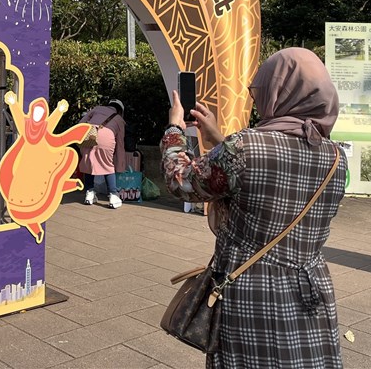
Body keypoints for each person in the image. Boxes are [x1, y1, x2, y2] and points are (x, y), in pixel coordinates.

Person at [161, 48, 346, 368]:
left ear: (280, 93)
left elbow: (182, 182)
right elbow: (269, 186)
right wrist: (219, 138)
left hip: (250, 292)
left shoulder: (244, 148)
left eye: (259, 92)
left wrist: (175, 128)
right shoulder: (336, 159)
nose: (256, 101)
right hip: (310, 292)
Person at [78, 99, 127, 209]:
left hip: (89, 134)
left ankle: (89, 194)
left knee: (88, 163)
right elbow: (120, 145)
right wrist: (120, 165)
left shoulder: (97, 109)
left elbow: (81, 123)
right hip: (106, 139)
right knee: (107, 165)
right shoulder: (119, 119)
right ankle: (113, 196)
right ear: (120, 110)